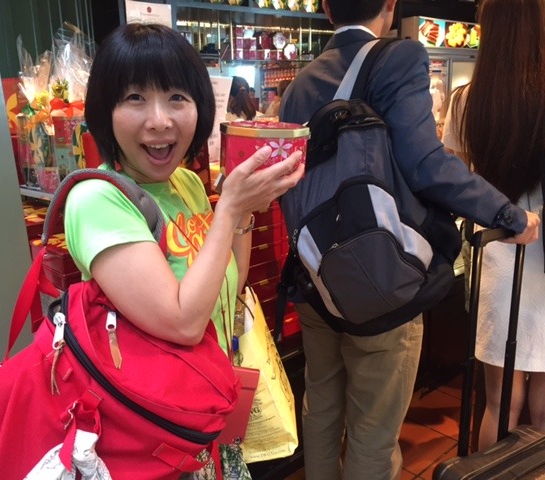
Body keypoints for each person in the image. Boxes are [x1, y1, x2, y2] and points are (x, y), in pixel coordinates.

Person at [279, 1, 540, 479]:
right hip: (381, 283)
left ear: (325, 8)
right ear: (391, 5)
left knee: (321, 408)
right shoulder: (399, 57)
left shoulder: (299, 83)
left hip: (315, 275)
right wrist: (509, 215)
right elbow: (426, 164)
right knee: (373, 428)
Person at [65, 23, 304, 479]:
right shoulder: (97, 199)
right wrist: (229, 207)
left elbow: (230, 284)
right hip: (151, 433)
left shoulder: (187, 183)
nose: (160, 120)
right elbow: (183, 322)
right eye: (135, 98)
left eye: (177, 96)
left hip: (205, 410)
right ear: (104, 110)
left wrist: (244, 207)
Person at [442, 0, 545, 451]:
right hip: (542, 255)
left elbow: (454, 182)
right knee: (543, 398)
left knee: (500, 400)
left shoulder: (467, 99)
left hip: (497, 252)